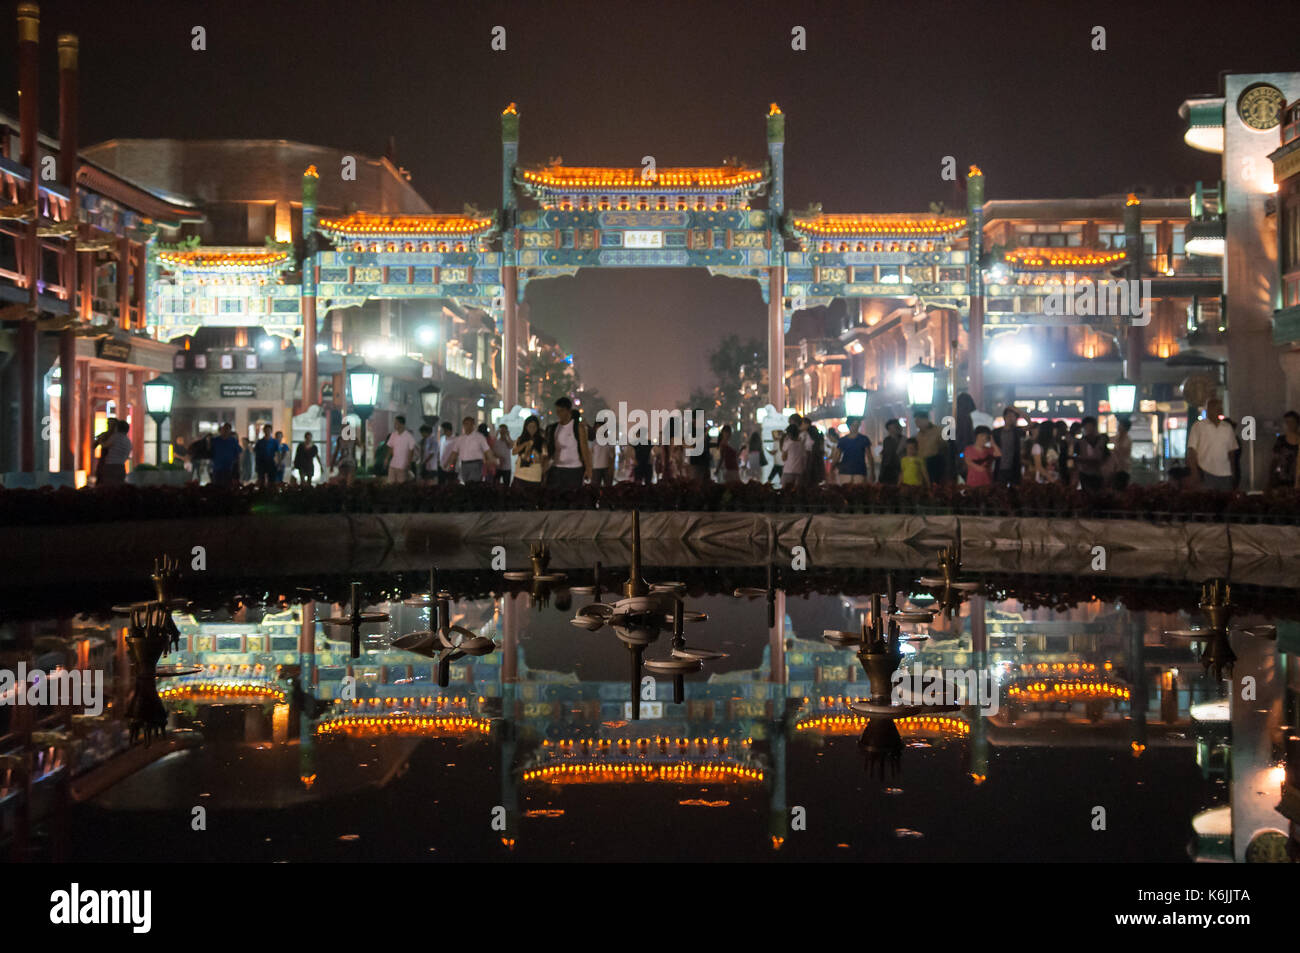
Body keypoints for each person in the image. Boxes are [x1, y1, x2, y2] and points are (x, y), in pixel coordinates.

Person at [1187, 398, 1238, 491]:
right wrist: (1195, 473)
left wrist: (1233, 471)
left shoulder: (1227, 428)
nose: (1214, 410)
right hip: (1205, 471)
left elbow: (1232, 452)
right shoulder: (1198, 426)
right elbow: (1191, 451)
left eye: (1217, 408)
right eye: (1211, 408)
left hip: (1225, 473)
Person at [545, 397, 591, 488]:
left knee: (572, 499)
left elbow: (584, 449)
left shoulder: (577, 427)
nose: (558, 414)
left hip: (574, 470)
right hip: (557, 469)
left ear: (568, 410)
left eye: (561, 410)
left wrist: (588, 468)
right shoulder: (554, 428)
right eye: (557, 411)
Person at [449, 416, 495, 482]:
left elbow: (487, 450)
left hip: (476, 464)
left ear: (473, 425)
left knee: (473, 484)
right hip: (464, 464)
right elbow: (454, 452)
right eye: (466, 424)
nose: (468, 426)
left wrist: (491, 461)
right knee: (465, 483)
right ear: (463, 425)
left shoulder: (479, 437)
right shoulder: (460, 438)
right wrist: (451, 464)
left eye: (470, 424)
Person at [832, 418, 875, 484]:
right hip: (846, 471)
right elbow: (837, 456)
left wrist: (872, 471)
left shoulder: (864, 439)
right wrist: (831, 469)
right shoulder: (843, 440)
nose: (855, 427)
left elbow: (869, 456)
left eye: (857, 425)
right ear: (849, 426)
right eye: (853, 425)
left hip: (858, 471)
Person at [1074, 416, 1108, 492]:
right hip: (1084, 473)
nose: (1088, 429)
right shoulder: (1080, 442)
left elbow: (1106, 455)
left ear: (1094, 427)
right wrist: (1078, 459)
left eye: (1089, 426)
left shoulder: (1102, 441)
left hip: (1098, 473)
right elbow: (1075, 455)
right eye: (1086, 426)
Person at [991, 407, 1023, 486]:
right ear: (1004, 417)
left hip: (1014, 467)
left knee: (1014, 492)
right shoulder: (996, 432)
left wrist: (1019, 411)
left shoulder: (1017, 431)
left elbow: (1030, 424)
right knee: (999, 491)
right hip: (999, 466)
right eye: (1009, 416)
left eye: (1013, 416)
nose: (1011, 418)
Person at [96, 418, 133, 485]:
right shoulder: (128, 441)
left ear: (117, 428)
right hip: (121, 466)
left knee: (108, 486)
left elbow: (105, 445)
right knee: (118, 486)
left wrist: (100, 440)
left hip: (110, 466)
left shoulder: (115, 437)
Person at [513, 415, 547, 485]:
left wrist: (536, 458)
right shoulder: (520, 439)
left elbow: (545, 457)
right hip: (520, 475)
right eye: (530, 426)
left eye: (534, 427)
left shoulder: (542, 441)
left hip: (534, 476)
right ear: (526, 427)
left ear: (537, 428)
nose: (532, 429)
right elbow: (514, 452)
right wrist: (525, 444)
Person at [914, 411, 946, 484]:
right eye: (915, 421)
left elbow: (945, 447)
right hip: (921, 463)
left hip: (935, 463)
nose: (916, 424)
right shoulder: (918, 435)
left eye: (918, 421)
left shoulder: (939, 431)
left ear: (925, 420)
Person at [1270, 411, 1300, 489]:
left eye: (1292, 422)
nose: (1290, 425)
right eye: (1287, 422)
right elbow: (1275, 459)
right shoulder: (1281, 440)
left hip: (1296, 477)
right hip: (1282, 479)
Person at [385, 415, 419, 483]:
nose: (394, 425)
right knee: (390, 484)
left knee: (401, 485)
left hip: (402, 466)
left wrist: (408, 463)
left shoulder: (408, 436)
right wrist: (387, 458)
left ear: (401, 424)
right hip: (393, 464)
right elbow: (390, 447)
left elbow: (411, 450)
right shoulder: (393, 435)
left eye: (396, 423)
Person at [779, 416, 808, 489]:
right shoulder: (801, 444)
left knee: (785, 491)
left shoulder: (787, 443)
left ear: (789, 434)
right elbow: (804, 458)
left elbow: (783, 458)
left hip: (788, 471)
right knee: (796, 492)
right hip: (799, 471)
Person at [210, 422, 242, 487]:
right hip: (217, 468)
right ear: (222, 430)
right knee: (217, 487)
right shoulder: (215, 440)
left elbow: (238, 454)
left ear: (230, 431)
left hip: (229, 468)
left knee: (227, 487)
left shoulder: (233, 441)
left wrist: (238, 466)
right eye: (224, 429)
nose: (225, 431)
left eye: (227, 429)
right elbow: (209, 451)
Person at [685, 414, 712, 483]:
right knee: (696, 481)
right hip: (696, 461)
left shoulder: (703, 430)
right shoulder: (692, 431)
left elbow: (708, 440)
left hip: (705, 461)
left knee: (705, 482)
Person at [878, 419, 903, 485]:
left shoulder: (904, 440)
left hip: (900, 469)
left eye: (897, 427)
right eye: (895, 427)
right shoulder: (886, 441)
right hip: (887, 470)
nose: (897, 428)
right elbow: (885, 457)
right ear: (889, 430)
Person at [1110, 416, 1132, 490]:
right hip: (1114, 468)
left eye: (1120, 425)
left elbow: (1121, 452)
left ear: (1125, 428)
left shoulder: (1127, 440)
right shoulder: (1116, 437)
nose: (1118, 427)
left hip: (1123, 469)